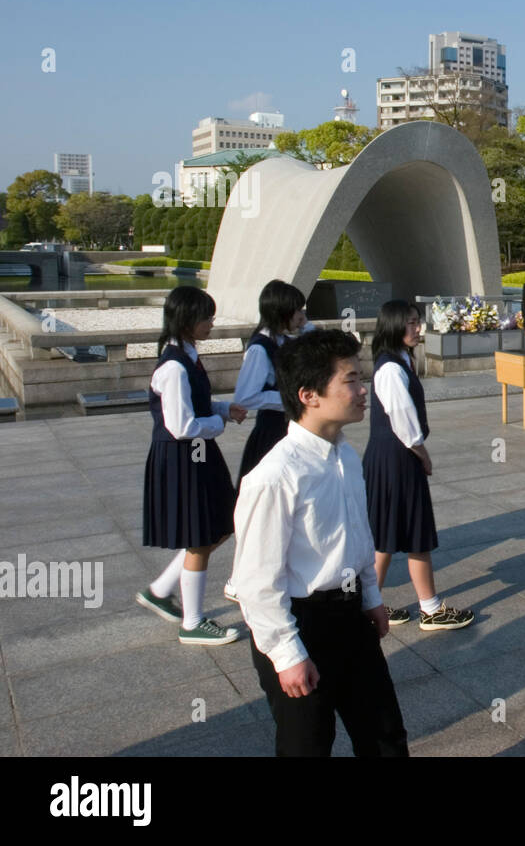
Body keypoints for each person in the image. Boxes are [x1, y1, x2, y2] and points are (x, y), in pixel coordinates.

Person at [233, 329, 409, 756]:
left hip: (350, 616)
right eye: (350, 380)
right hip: (300, 622)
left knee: (385, 735)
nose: (363, 389)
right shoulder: (275, 477)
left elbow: (357, 534)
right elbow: (255, 581)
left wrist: (370, 595)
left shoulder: (345, 454)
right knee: (307, 745)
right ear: (309, 394)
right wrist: (287, 653)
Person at [135, 286, 247, 645]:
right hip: (185, 457)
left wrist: (222, 408)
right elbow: (181, 426)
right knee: (201, 536)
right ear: (187, 320)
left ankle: (161, 589)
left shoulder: (186, 356)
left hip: (197, 455)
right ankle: (193, 622)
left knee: (218, 526)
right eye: (206, 317)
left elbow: (195, 405)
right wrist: (220, 423)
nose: (211, 324)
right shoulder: (173, 366)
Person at [364, 301, 473, 631]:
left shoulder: (400, 360)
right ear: (394, 325)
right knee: (407, 532)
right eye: (410, 323)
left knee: (391, 533)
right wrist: (423, 454)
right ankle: (427, 608)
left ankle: (372, 606)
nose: (417, 329)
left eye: (417, 322)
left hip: (392, 457)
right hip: (397, 457)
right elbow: (403, 419)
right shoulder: (390, 368)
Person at [224, 279, 310, 603]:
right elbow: (246, 396)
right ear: (281, 313)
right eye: (297, 311)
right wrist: (287, 400)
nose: (303, 316)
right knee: (259, 510)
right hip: (270, 434)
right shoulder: (260, 349)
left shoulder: (283, 339)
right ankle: (238, 578)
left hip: (286, 430)